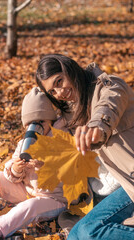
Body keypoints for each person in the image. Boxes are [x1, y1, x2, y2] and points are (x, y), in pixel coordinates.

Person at [35, 54, 134, 239]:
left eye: (59, 81)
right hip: (113, 188)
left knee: (89, 232)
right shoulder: (73, 112)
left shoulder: (110, 85)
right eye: (53, 92)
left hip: (130, 181)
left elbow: (107, 108)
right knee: (76, 235)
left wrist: (96, 127)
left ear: (70, 70)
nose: (60, 93)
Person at [0, 87, 70, 239]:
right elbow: (12, 173)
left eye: (41, 121)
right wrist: (16, 169)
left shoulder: (62, 140)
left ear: (51, 121)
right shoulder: (25, 143)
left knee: (30, 207)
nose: (36, 126)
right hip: (27, 191)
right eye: (31, 123)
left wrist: (44, 166)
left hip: (54, 200)